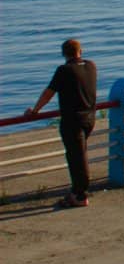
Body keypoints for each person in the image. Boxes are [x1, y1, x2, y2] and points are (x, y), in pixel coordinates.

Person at [23, 39, 98, 208]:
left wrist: (35, 111)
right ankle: (78, 192)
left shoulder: (64, 70)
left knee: (76, 158)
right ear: (81, 51)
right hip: (89, 117)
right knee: (80, 154)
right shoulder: (91, 66)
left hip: (73, 120)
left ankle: (80, 195)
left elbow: (48, 93)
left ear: (64, 53)